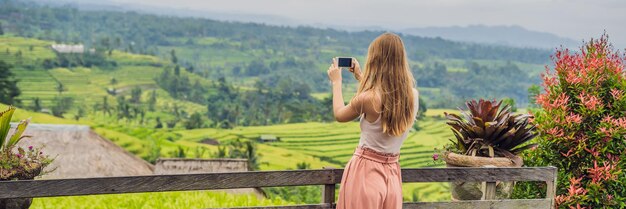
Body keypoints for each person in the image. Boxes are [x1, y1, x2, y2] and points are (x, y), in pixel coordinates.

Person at [327, 32, 419, 209]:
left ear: (375, 60)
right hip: (392, 174)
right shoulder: (412, 96)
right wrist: (360, 76)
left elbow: (340, 114)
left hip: (365, 172)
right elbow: (387, 101)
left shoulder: (368, 99)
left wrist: (336, 82)